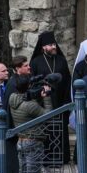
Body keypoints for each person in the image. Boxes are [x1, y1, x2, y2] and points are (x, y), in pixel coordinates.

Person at [31, 31, 73, 165]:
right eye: (50, 45)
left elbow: (68, 81)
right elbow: (33, 83)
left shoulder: (61, 60)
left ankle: (63, 158)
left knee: (60, 130)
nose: (54, 47)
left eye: (54, 44)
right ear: (43, 47)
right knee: (47, 131)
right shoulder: (36, 62)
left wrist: (67, 101)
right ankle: (47, 159)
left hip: (60, 101)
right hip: (44, 104)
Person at [9, 74, 54, 173]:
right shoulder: (30, 105)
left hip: (21, 140)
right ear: (29, 86)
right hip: (33, 141)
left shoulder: (13, 98)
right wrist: (47, 97)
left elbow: (25, 98)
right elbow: (48, 115)